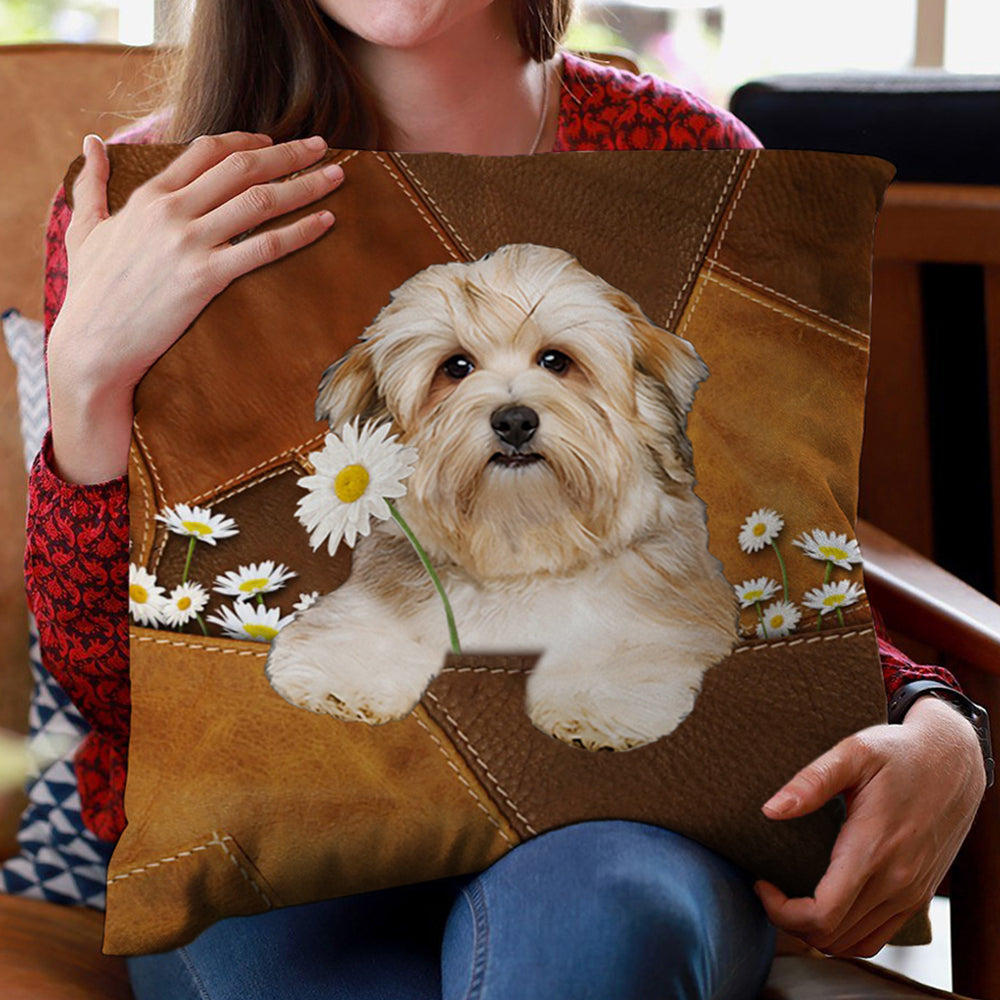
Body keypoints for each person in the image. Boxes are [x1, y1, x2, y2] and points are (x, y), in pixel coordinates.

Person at [25, 1, 987, 997]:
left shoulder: (693, 166)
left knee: (601, 921)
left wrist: (934, 713)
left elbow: (762, 550)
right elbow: (106, 680)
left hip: (622, 818)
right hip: (270, 821)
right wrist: (89, 381)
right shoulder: (152, 205)